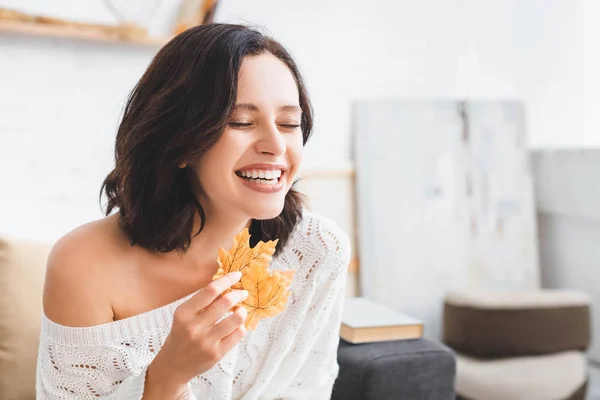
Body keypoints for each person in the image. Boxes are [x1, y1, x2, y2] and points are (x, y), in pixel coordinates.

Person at [36, 23, 350, 400]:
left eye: (289, 123)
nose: (276, 146)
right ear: (181, 141)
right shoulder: (84, 264)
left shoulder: (317, 251)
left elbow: (306, 391)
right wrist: (167, 376)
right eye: (241, 122)